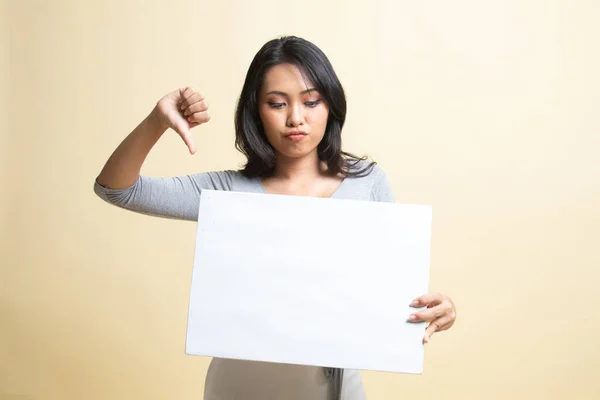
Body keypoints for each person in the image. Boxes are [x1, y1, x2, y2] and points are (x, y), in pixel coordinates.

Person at [94, 35, 456, 400]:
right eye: (277, 103)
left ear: (330, 105)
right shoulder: (227, 192)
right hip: (239, 387)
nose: (295, 118)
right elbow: (117, 189)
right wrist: (158, 120)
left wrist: (437, 307)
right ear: (256, 111)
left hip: (335, 390)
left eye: (311, 101)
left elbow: (389, 286)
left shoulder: (366, 184)